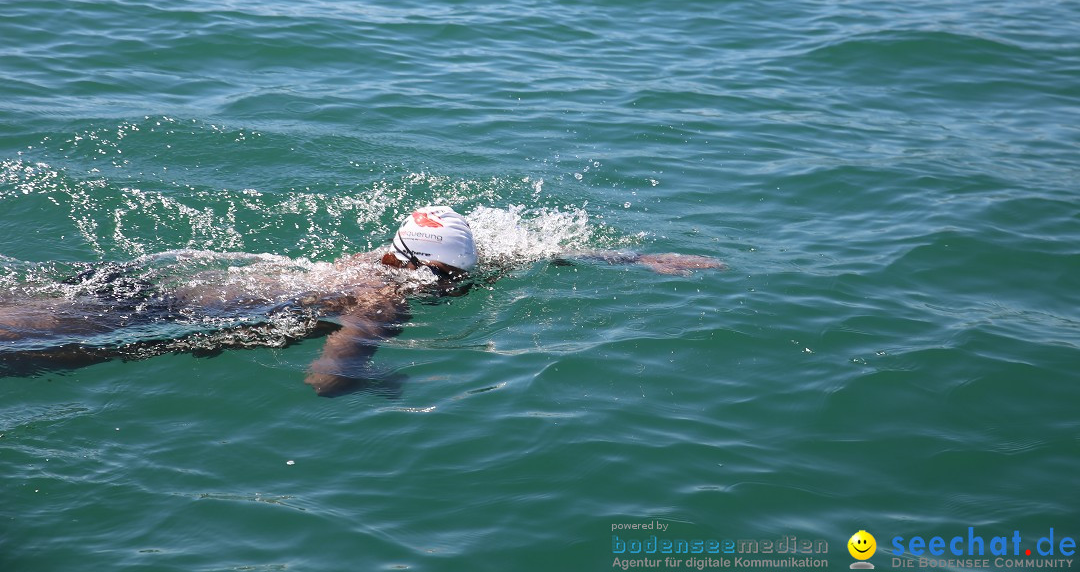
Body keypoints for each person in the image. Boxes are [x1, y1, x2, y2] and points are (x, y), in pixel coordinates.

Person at [0, 206, 723, 396]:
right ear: (440, 276)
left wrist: (630, 257)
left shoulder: (384, 257)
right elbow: (325, 378)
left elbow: (514, 249)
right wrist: (373, 380)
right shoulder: (383, 299)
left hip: (156, 289)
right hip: (159, 319)